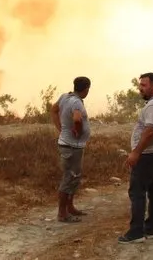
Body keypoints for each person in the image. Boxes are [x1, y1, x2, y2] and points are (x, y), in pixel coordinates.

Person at [118, 72, 153, 244]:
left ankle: (136, 233)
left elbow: (151, 129)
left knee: (137, 192)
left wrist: (136, 152)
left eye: (144, 85)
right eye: (140, 85)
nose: (140, 88)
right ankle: (151, 229)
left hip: (149, 156)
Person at [50, 76, 92, 223]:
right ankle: (62, 214)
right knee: (69, 178)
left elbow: (54, 110)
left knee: (74, 177)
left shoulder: (65, 97)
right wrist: (77, 131)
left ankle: (70, 207)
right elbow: (77, 119)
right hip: (71, 146)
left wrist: (60, 128)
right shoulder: (76, 103)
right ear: (87, 89)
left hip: (70, 145)